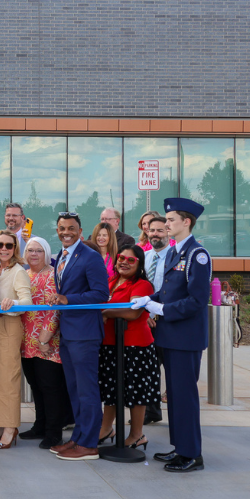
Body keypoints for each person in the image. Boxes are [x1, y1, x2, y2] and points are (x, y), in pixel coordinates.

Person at [132, 198, 212, 473]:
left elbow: (197, 300)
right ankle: (180, 447)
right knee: (176, 396)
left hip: (185, 338)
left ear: (186, 222)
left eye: (170, 220)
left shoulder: (197, 255)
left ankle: (192, 454)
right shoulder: (176, 252)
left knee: (185, 396)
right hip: (171, 336)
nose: (166, 225)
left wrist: (162, 309)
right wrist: (149, 299)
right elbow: (168, 291)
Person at [49, 212, 110, 462]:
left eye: (71, 228)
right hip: (68, 332)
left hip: (85, 334)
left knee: (87, 391)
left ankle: (89, 444)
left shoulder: (90, 256)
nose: (66, 232)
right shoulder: (62, 255)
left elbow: (101, 294)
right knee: (74, 390)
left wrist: (67, 299)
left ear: (80, 231)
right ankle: (78, 437)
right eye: (62, 228)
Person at [98, 245, 160, 450]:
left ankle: (137, 435)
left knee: (136, 392)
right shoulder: (110, 281)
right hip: (110, 344)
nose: (124, 262)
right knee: (111, 390)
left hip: (135, 347)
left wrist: (106, 313)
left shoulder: (143, 285)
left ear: (139, 264)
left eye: (130, 260)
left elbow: (133, 312)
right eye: (121, 258)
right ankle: (106, 429)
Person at [19, 237, 70, 449]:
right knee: (36, 386)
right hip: (26, 342)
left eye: (39, 250)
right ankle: (39, 426)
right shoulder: (24, 274)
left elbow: (54, 310)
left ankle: (53, 432)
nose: (34, 254)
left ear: (47, 253)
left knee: (50, 388)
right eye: (30, 250)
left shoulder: (52, 275)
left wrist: (44, 339)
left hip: (47, 343)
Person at [0, 229, 31, 449]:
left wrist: (12, 303)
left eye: (9, 245)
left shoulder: (19, 271)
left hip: (9, 325)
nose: (4, 249)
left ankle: (10, 428)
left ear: (15, 248)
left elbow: (27, 302)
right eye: (0, 245)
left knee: (7, 379)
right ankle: (1, 424)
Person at [143, 215, 173, 424]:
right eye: (152, 230)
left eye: (160, 230)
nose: (155, 234)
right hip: (146, 322)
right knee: (150, 368)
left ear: (168, 232)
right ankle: (152, 411)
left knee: (171, 369)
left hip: (168, 320)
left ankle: (177, 415)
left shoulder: (175, 258)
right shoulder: (144, 257)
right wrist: (145, 315)